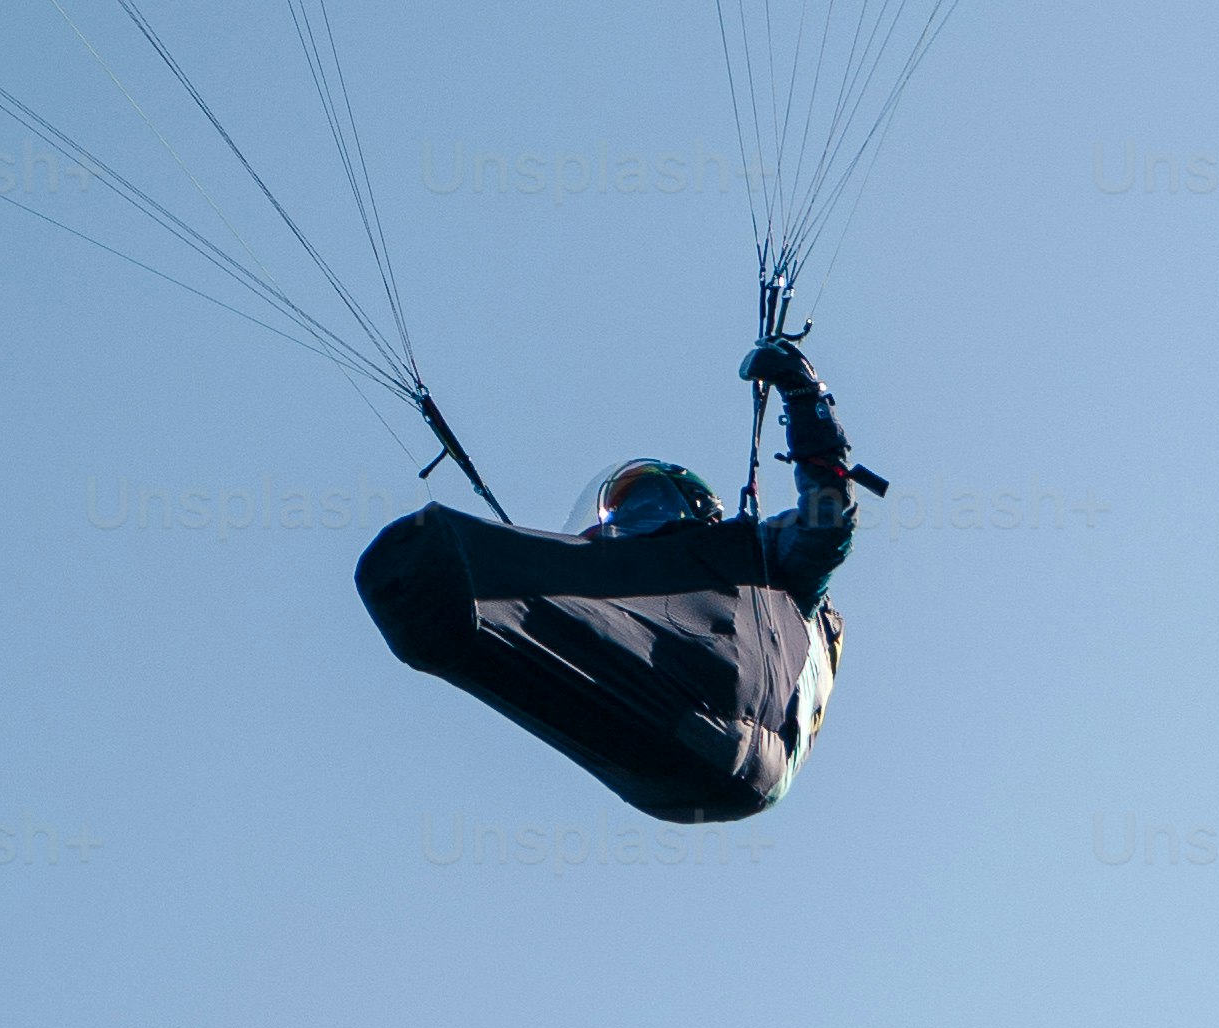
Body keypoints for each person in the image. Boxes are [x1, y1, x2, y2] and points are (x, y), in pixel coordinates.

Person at [352, 276, 878, 825]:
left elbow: (829, 522)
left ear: (685, 503)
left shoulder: (762, 560)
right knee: (467, 582)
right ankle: (458, 613)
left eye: (638, 501)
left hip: (735, 723)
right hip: (667, 768)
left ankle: (467, 582)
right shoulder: (636, 595)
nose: (620, 521)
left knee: (482, 563)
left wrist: (803, 395)